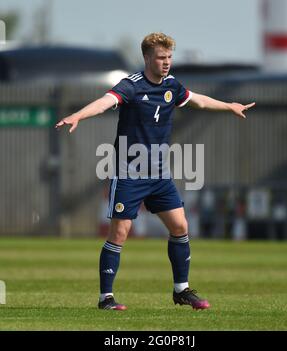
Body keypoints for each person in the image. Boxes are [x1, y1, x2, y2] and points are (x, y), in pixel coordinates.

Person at [56, 32, 255, 311]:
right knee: (120, 232)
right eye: (161, 57)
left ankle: (181, 291)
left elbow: (198, 100)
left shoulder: (172, 85)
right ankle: (106, 298)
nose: (166, 62)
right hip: (129, 173)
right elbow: (104, 102)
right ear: (148, 57)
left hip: (159, 175)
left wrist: (229, 106)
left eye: (170, 57)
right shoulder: (131, 86)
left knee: (180, 226)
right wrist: (77, 115)